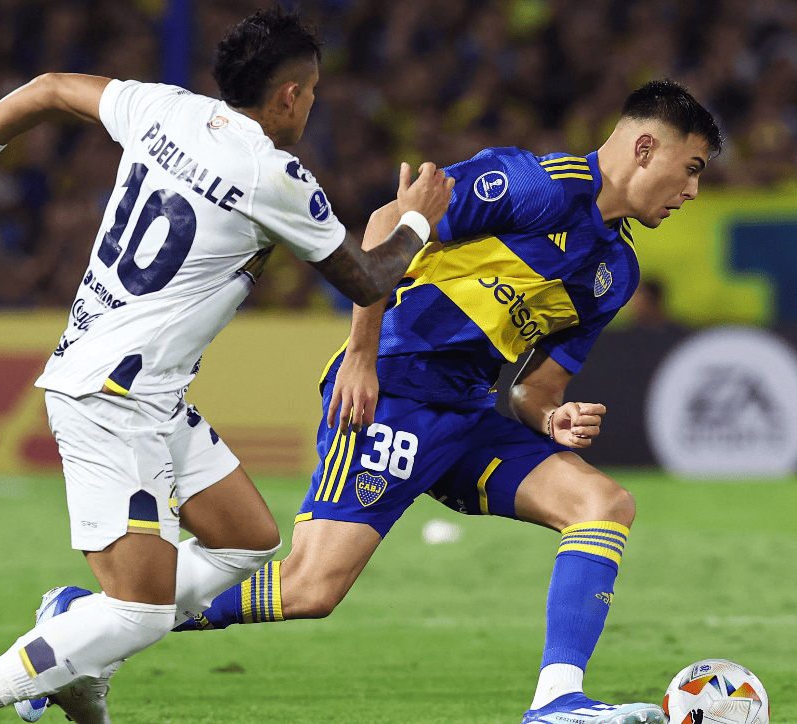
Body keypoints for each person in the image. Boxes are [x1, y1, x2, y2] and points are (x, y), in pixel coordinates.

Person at [0, 8, 453, 724]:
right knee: (140, 614)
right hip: (110, 398)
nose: (313, 104)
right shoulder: (276, 177)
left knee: (249, 541)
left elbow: (49, 86)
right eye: (311, 90)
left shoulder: (162, 108)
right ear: (288, 96)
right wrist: (417, 220)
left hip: (148, 392)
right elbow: (371, 280)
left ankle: (77, 642)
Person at [172, 79, 721, 724]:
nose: (690, 192)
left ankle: (557, 702)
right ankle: (108, 611)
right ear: (646, 147)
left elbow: (535, 389)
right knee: (310, 588)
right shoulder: (532, 185)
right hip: (396, 389)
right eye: (690, 171)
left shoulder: (616, 273)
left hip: (467, 417)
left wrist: (552, 418)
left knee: (603, 505)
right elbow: (385, 227)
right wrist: (361, 356)